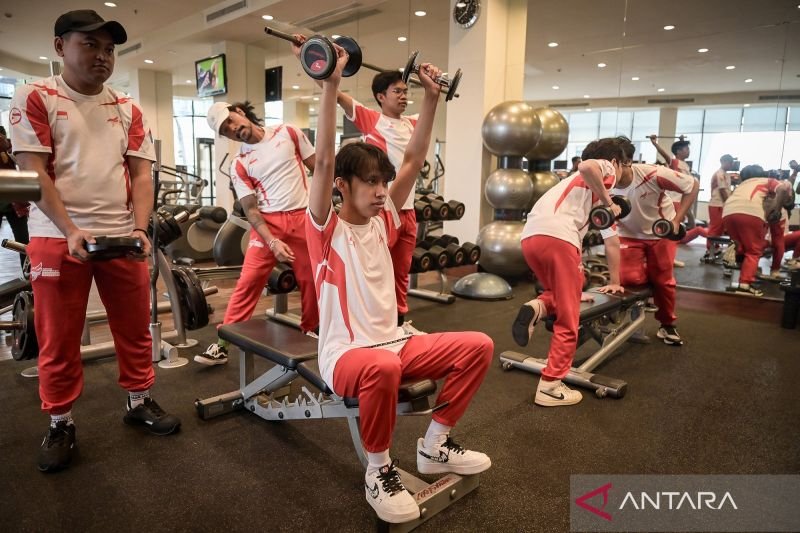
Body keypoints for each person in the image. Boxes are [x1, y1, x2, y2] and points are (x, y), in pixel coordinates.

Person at [305, 47, 492, 523]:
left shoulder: (384, 221)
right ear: (342, 185)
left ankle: (435, 444)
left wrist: (431, 98)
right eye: (370, 182)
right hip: (346, 355)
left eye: (383, 184)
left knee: (478, 345)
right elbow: (323, 160)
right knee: (383, 368)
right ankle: (379, 469)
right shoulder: (326, 230)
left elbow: (414, 156)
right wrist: (330, 84)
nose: (380, 192)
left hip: (394, 341)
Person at [9, 9, 181, 473]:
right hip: (55, 235)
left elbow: (141, 176)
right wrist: (70, 229)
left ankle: (139, 400)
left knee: (134, 327)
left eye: (109, 49)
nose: (102, 56)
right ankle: (60, 421)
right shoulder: (35, 95)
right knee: (58, 337)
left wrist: (141, 229)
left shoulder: (127, 107)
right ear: (60, 46)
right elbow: (33, 171)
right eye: (90, 44)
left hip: (120, 235)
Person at [292, 34, 421, 333]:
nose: (403, 96)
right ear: (381, 96)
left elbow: (415, 159)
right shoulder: (371, 119)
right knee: (363, 273)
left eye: (406, 91)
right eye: (397, 91)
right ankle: (349, 327)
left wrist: (433, 92)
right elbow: (332, 94)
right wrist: (312, 60)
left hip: (404, 207)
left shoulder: (413, 123)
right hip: (374, 211)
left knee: (398, 274)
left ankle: (396, 325)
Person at [195, 101, 319, 365]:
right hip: (267, 224)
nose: (232, 128)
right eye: (225, 130)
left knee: (312, 280)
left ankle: (312, 332)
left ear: (239, 112)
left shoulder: (288, 132)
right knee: (248, 281)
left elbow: (319, 169)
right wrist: (272, 241)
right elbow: (251, 210)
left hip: (303, 218)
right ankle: (223, 344)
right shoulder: (239, 164)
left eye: (230, 120)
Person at [511, 138, 633, 406]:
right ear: (614, 161)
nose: (625, 169)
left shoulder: (575, 187)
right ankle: (550, 385)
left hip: (530, 237)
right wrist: (608, 201)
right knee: (569, 317)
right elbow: (587, 166)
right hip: (559, 238)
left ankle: (538, 307)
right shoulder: (605, 169)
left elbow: (611, 239)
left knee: (573, 285)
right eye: (625, 164)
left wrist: (613, 282)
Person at [598, 138, 699, 346]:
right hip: (628, 234)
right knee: (628, 278)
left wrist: (677, 220)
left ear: (625, 162)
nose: (605, 174)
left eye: (609, 167)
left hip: (659, 233)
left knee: (663, 280)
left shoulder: (652, 173)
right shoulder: (602, 185)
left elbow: (693, 186)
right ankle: (639, 305)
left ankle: (667, 324)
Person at [722, 165, 795, 296]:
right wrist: (777, 210)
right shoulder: (768, 181)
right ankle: (745, 284)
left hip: (728, 212)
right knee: (754, 251)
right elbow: (784, 189)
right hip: (751, 212)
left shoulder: (742, 185)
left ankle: (741, 275)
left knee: (740, 247)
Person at [649, 135, 700, 265]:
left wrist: (682, 141)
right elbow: (666, 156)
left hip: (681, 201)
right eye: (686, 149)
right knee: (671, 230)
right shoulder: (675, 162)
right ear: (678, 151)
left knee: (675, 230)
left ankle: (669, 257)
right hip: (673, 201)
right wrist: (655, 143)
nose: (688, 151)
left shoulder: (685, 165)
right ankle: (667, 258)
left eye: (688, 148)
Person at [0, 126, 29, 269]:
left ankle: (28, 273)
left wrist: (5, 147)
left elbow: (23, 162)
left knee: (23, 241)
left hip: (15, 203)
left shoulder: (11, 147)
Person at [702, 154, 735, 261]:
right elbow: (722, 190)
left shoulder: (726, 175)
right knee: (715, 228)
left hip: (722, 204)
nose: (731, 165)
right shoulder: (719, 174)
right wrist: (729, 203)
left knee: (720, 228)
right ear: (723, 162)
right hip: (717, 204)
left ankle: (715, 248)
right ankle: (709, 250)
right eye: (730, 162)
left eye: (732, 162)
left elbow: (727, 190)